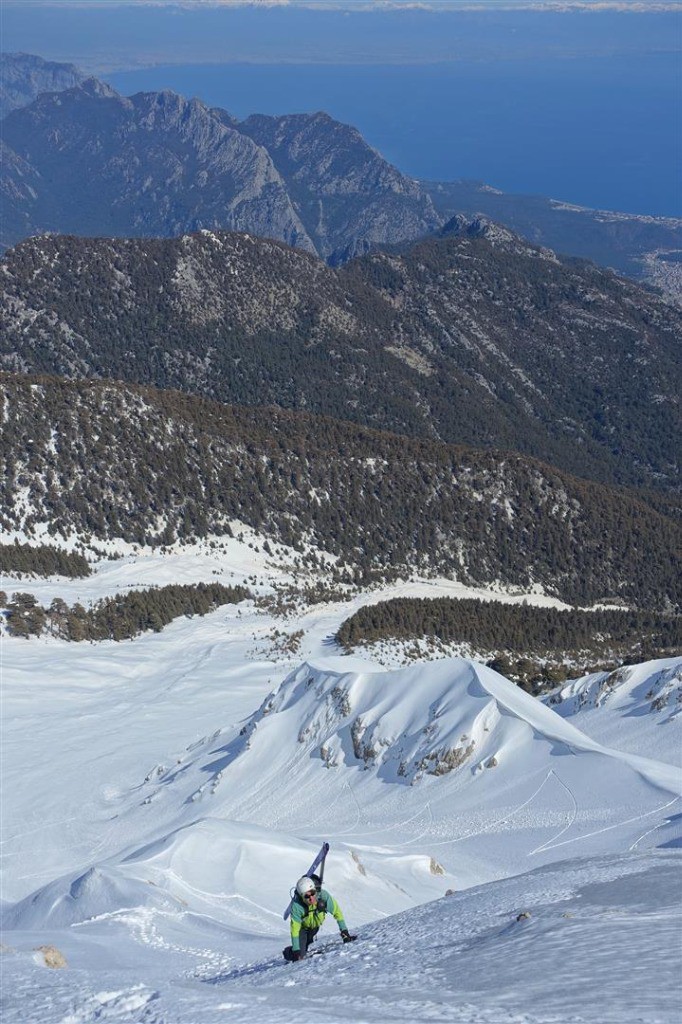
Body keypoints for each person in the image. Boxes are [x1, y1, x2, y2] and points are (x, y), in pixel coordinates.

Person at [283, 874, 356, 961]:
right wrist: (296, 950)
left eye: (313, 893)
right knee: (300, 955)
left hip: (314, 928)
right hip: (302, 930)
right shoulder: (297, 906)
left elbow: (337, 912)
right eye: (307, 896)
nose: (311, 898)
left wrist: (345, 932)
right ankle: (287, 952)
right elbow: (295, 929)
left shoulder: (323, 896)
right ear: (301, 897)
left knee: (307, 943)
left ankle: (304, 944)